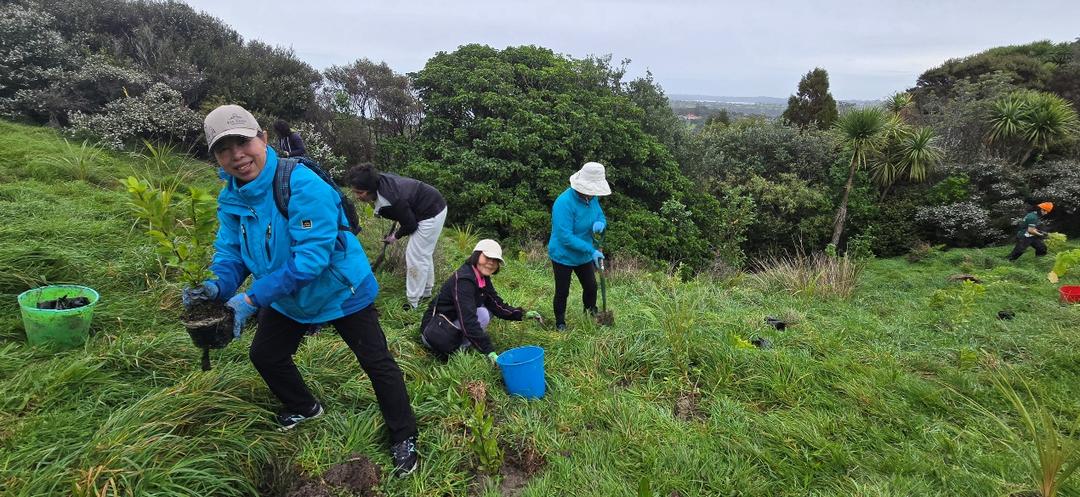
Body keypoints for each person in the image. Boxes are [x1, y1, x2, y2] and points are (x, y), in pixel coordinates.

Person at [183, 105, 419, 477]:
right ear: (216, 157)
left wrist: (252, 299)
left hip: (342, 290)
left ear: (262, 138)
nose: (237, 155)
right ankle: (305, 407)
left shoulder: (302, 184)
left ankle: (404, 437)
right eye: (224, 149)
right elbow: (232, 252)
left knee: (377, 364)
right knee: (266, 355)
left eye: (243, 142)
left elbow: (311, 259)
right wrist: (216, 285)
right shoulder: (231, 197)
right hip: (285, 294)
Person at [418, 239, 542, 361]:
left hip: (448, 324)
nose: (491, 263)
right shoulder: (464, 280)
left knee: (488, 308)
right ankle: (456, 352)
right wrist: (488, 350)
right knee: (482, 314)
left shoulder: (481, 277)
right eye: (487, 257)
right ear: (476, 255)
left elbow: (496, 304)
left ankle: (463, 344)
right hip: (435, 333)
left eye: (496, 260)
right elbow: (468, 320)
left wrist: (522, 314)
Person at [346, 163, 447, 310]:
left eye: (360, 192)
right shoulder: (378, 182)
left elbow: (410, 225)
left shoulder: (392, 199)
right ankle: (426, 292)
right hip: (429, 204)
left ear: (371, 189)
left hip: (430, 212)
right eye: (355, 192)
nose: (357, 196)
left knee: (415, 256)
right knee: (423, 253)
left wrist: (394, 236)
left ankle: (413, 302)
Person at [547, 161, 610, 331]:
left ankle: (590, 314)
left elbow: (600, 215)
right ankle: (560, 323)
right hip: (563, 254)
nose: (592, 193)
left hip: (584, 254)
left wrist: (600, 223)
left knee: (591, 286)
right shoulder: (564, 203)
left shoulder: (592, 199)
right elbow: (565, 237)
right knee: (562, 291)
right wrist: (591, 250)